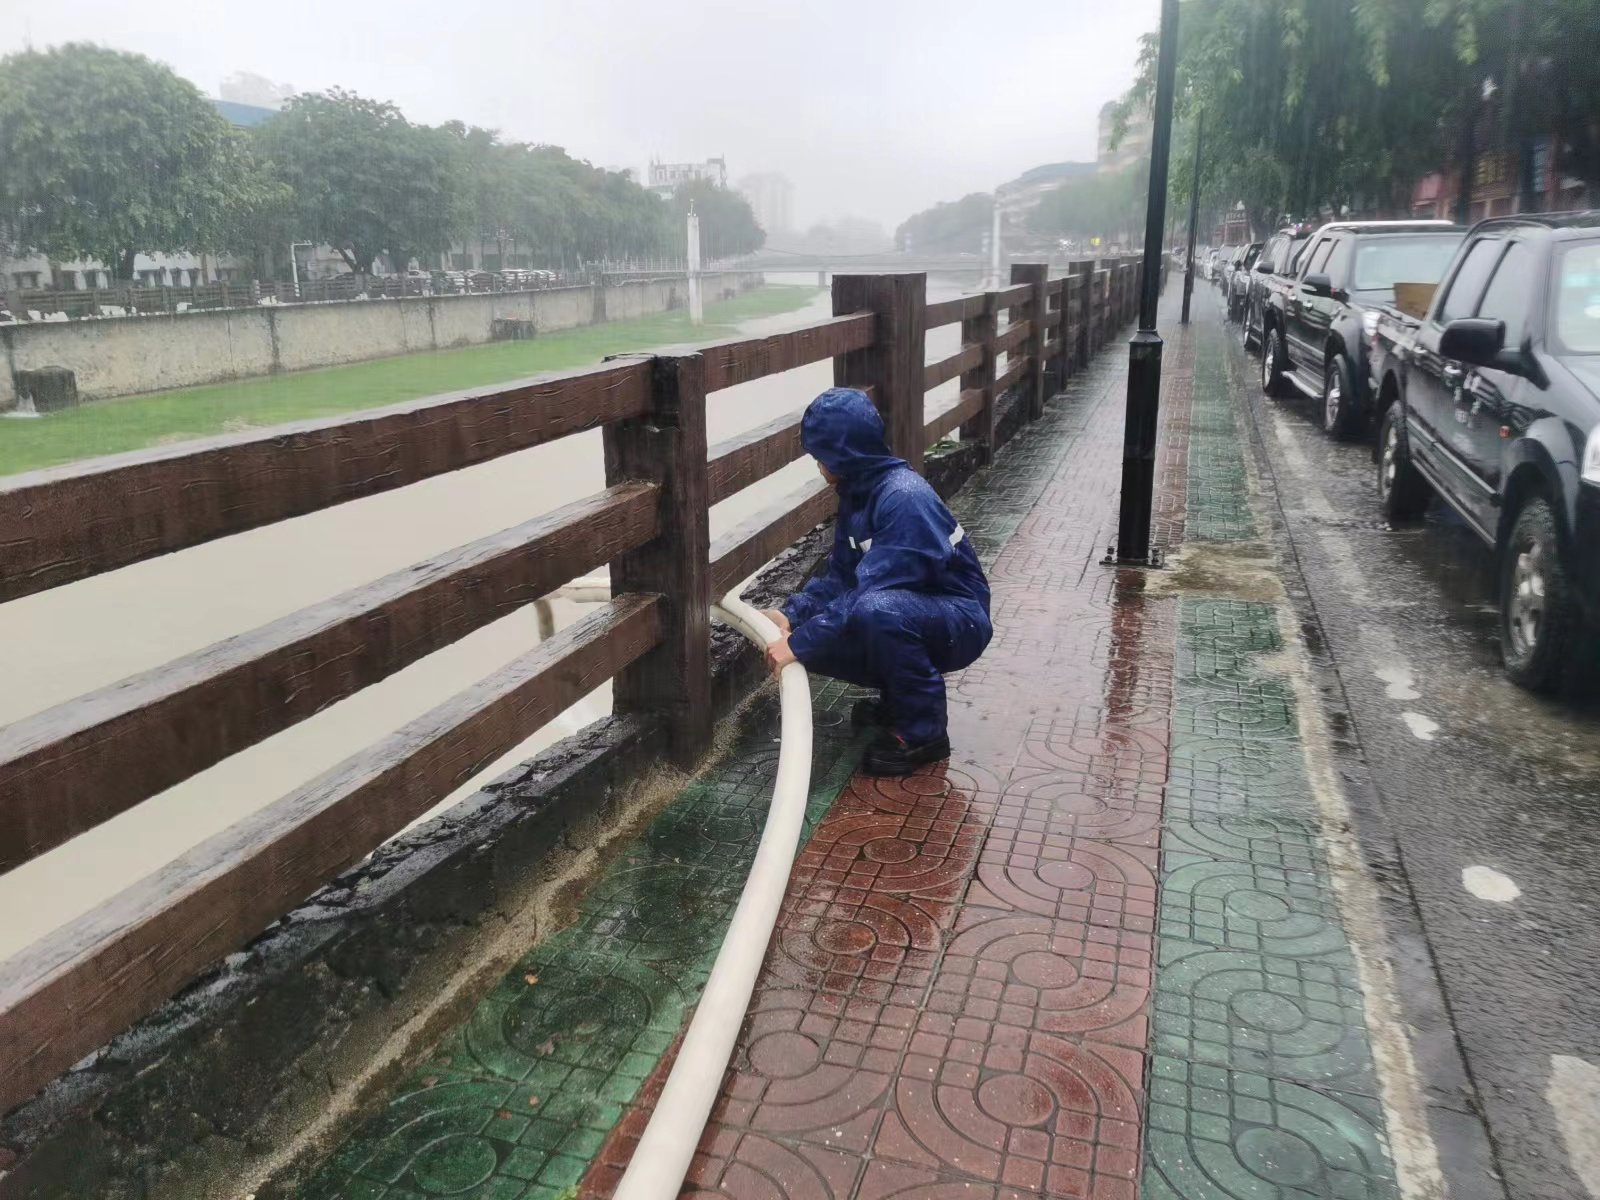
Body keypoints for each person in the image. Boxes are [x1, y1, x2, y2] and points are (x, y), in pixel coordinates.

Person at [762, 387, 992, 776]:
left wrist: (797, 644)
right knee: (842, 624)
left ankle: (925, 734)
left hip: (960, 618)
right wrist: (791, 616)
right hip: (916, 609)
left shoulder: (903, 498)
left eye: (820, 456)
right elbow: (840, 578)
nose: (818, 466)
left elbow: (872, 593)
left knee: (874, 612)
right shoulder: (857, 496)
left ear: (841, 455)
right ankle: (898, 703)